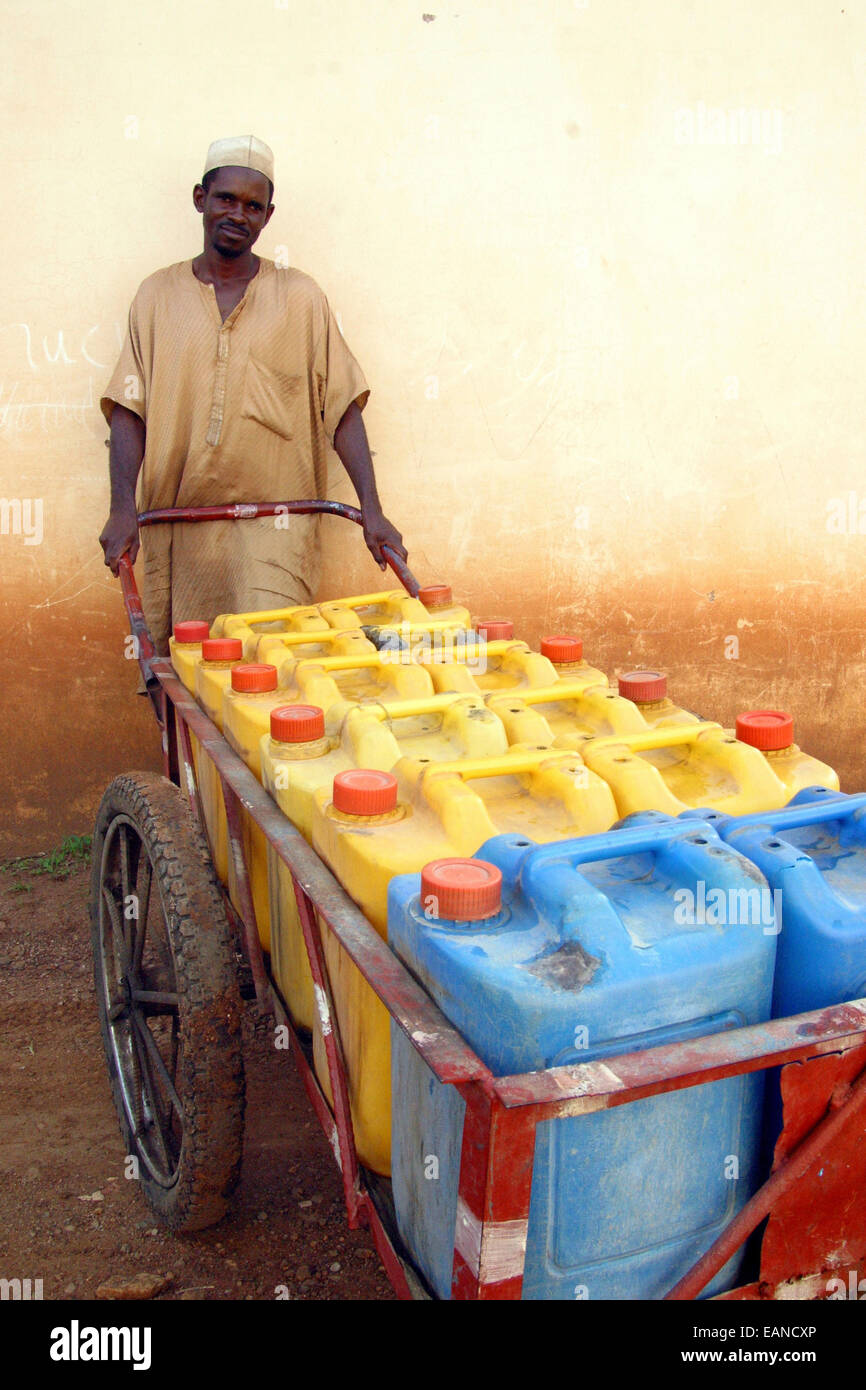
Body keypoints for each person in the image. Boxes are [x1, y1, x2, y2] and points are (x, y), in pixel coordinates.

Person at [98, 135, 406, 653]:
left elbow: (343, 407)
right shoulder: (156, 296)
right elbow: (130, 411)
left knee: (278, 663)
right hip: (180, 525)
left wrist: (372, 511)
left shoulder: (301, 298)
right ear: (200, 198)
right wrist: (120, 509)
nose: (238, 214)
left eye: (253, 206)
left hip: (277, 528)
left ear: (268, 217)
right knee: (188, 671)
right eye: (226, 199)